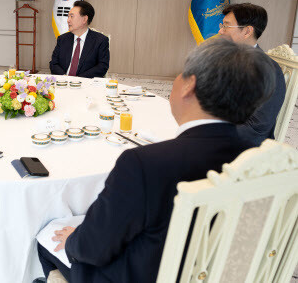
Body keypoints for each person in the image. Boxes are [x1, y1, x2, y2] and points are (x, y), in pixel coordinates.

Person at [36, 39, 276, 283]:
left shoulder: (144, 164)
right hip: (215, 270)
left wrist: (74, 239)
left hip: (139, 275)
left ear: (189, 86)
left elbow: (92, 249)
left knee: (48, 235)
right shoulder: (261, 161)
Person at [218, 3, 286, 146]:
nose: (221, 31)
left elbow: (256, 127)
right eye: (222, 25)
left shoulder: (269, 71)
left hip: (243, 147)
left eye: (226, 26)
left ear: (247, 31)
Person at [49, 0, 110, 78]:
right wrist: (64, 77)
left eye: (72, 16)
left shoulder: (100, 40)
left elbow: (102, 66)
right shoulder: (62, 39)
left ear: (84, 19)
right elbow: (53, 63)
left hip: (86, 84)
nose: (68, 20)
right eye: (68, 17)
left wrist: (78, 80)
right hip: (63, 81)